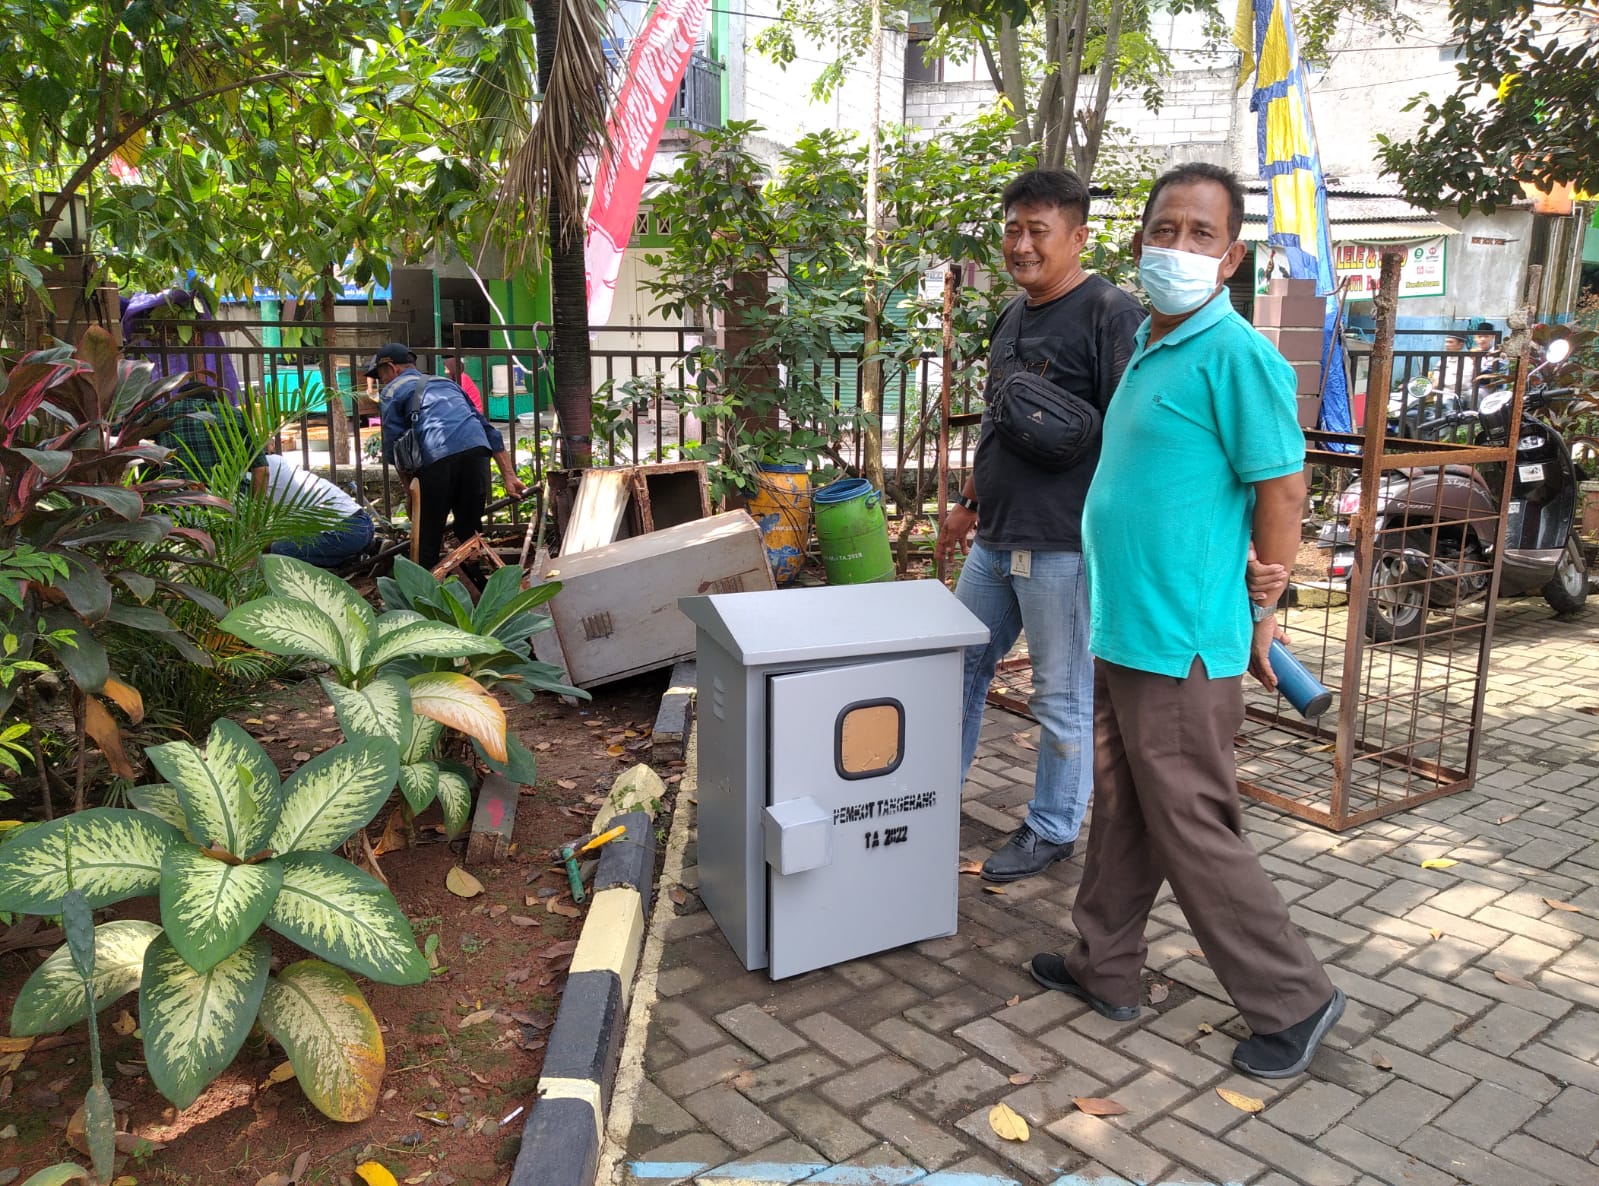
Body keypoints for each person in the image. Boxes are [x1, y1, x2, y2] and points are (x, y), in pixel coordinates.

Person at [1028, 162, 1343, 1080]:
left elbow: (1281, 482)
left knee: (1192, 822)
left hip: (1183, 639)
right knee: (1127, 810)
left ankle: (1294, 998)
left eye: (1201, 234)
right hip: (1128, 627)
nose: (1177, 247)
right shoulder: (1149, 344)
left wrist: (1265, 611)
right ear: (1138, 240)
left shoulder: (1234, 352)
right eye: (1164, 228)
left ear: (1231, 256)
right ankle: (1104, 964)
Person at [935, 169, 1145, 883]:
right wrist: (968, 502)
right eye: (1012, 229)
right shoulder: (1011, 315)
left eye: (1038, 231)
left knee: (1058, 693)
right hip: (995, 537)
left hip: (1061, 546)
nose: (1020, 245)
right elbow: (997, 421)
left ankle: (1053, 828)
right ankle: (931, 797)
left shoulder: (1108, 313)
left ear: (1078, 237)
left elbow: (1132, 434)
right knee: (956, 666)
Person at [368, 343, 526, 569]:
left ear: (392, 368)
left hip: (436, 457)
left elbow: (395, 446)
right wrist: (509, 476)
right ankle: (478, 589)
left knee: (428, 535)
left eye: (380, 374)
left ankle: (428, 593)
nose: (382, 380)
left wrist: (411, 491)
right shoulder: (447, 384)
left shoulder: (392, 390)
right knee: (470, 533)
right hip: (477, 451)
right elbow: (488, 430)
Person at [261, 453, 375, 568]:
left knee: (281, 549)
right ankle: (371, 547)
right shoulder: (278, 462)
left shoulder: (262, 471)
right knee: (284, 545)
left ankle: (352, 559)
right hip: (363, 524)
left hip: (348, 532)